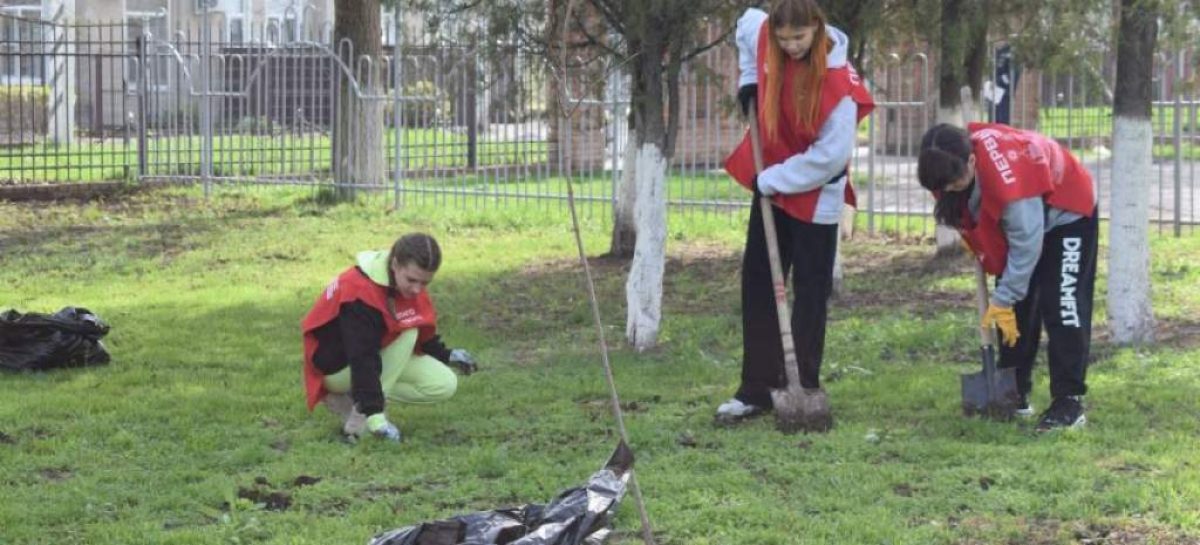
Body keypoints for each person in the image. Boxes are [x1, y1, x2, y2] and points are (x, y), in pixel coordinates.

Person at [718, 0, 874, 425]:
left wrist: (771, 180)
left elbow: (830, 157)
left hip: (815, 193)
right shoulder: (764, 29)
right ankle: (756, 389)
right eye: (782, 39)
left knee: (809, 292)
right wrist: (750, 79)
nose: (788, 47)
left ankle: (802, 384)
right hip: (771, 178)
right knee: (759, 283)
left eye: (799, 39)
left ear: (817, 29)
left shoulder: (839, 85)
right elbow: (745, 22)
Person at [916, 122, 1098, 431]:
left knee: (1062, 304)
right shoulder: (945, 166)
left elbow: (1026, 245)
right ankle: (1015, 392)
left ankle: (1068, 402)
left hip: (1066, 211)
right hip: (1023, 220)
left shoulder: (1011, 184)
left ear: (972, 161)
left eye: (954, 183)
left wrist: (1002, 297)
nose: (948, 190)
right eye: (943, 187)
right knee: (1014, 308)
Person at [301, 233, 478, 442]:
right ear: (395, 264)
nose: (417, 289)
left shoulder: (403, 282)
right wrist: (374, 413)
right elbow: (362, 356)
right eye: (412, 280)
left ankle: (355, 397)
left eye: (425, 283)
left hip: (374, 353)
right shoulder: (359, 292)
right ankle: (362, 415)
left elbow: (418, 322)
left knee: (443, 384)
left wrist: (448, 355)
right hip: (335, 368)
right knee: (407, 332)